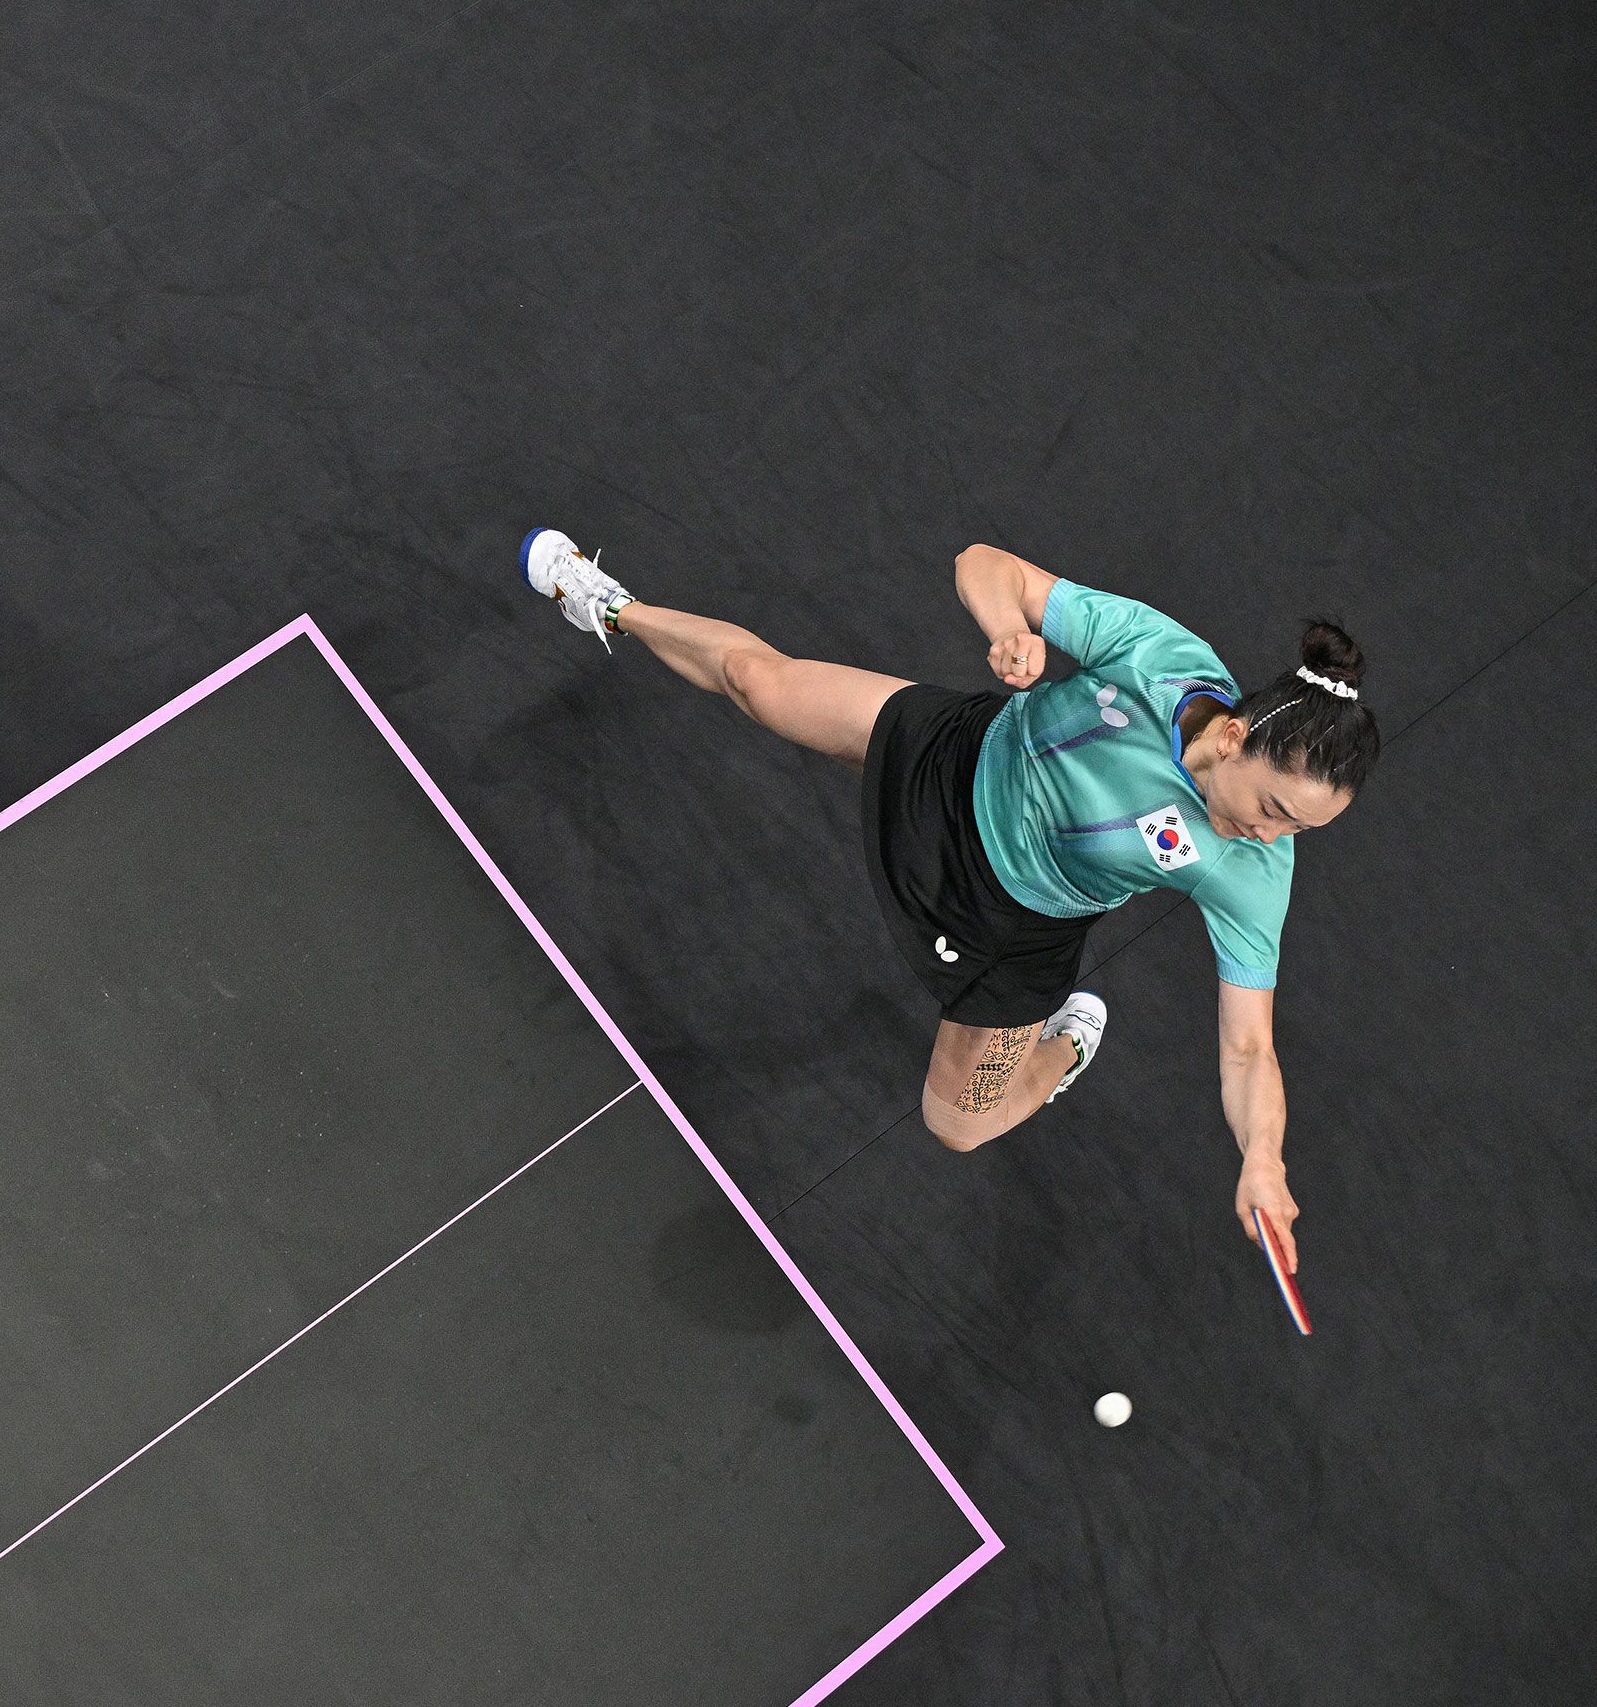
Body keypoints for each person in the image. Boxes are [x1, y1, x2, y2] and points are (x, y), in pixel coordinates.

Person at [522, 531, 1379, 1276]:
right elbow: (985, 563)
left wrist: (1263, 1157)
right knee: (757, 679)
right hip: (959, 758)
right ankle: (606, 604)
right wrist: (1010, 628)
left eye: (1302, 829)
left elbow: (1247, 1050)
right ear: (1234, 736)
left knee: (958, 1126)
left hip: (1009, 924)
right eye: (1274, 809)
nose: (1273, 838)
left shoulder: (1251, 873)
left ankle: (1059, 1054)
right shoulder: (1162, 657)